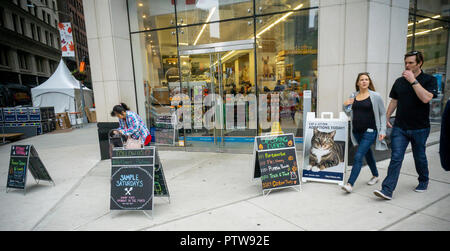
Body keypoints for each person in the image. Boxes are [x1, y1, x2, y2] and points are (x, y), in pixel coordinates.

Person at [374, 51, 438, 200]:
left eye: (411, 63)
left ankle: (423, 180)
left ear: (419, 63)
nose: (407, 66)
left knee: (419, 157)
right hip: (400, 127)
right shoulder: (399, 81)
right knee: (396, 158)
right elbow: (394, 101)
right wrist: (386, 118)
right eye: (406, 63)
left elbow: (426, 98)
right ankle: (387, 190)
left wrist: (413, 81)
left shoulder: (429, 80)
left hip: (420, 128)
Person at [341, 73, 388, 193]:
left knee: (358, 156)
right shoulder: (353, 95)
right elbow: (348, 112)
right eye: (361, 80)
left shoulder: (375, 96)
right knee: (368, 154)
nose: (364, 81)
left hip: (370, 131)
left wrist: (382, 130)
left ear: (369, 82)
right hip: (356, 131)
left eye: (366, 79)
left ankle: (350, 184)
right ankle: (376, 175)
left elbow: (382, 113)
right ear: (358, 83)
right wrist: (344, 105)